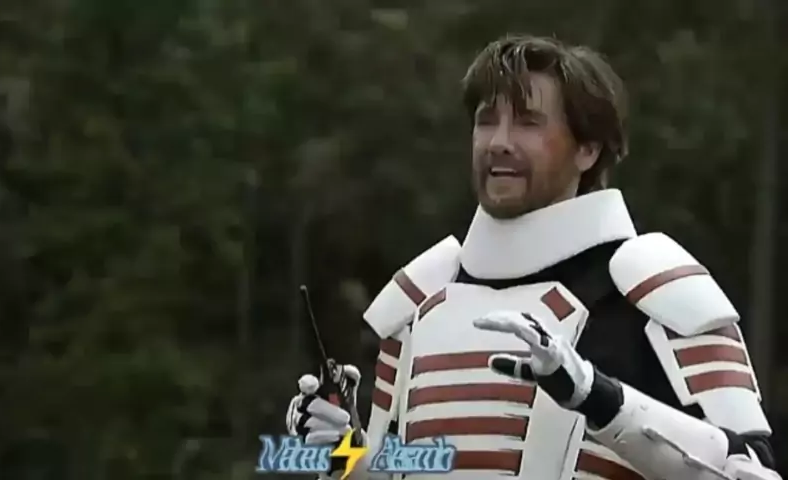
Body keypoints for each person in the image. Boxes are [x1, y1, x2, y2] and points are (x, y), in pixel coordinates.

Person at [285, 35, 782, 480]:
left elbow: (751, 472)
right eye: (486, 121)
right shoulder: (422, 295)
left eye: (527, 122)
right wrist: (344, 456)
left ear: (588, 149)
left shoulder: (650, 284)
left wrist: (598, 398)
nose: (499, 143)